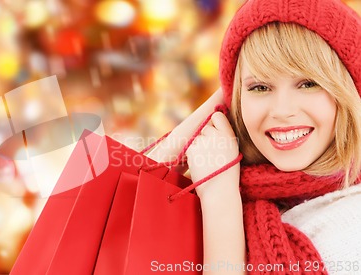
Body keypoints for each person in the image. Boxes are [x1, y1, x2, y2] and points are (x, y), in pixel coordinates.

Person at [148, 0, 361, 273]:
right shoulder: (232, 180)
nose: (282, 111)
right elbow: (116, 199)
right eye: (260, 87)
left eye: (308, 83)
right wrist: (225, 96)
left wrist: (220, 198)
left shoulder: (349, 222)